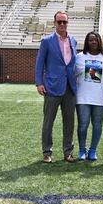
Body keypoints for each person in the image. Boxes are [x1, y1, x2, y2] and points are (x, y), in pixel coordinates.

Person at [35, 11, 78, 163]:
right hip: (52, 87)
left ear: (68, 23)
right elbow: (40, 63)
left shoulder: (73, 40)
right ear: (54, 23)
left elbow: (71, 63)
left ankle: (68, 152)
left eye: (64, 22)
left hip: (70, 87)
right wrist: (39, 83)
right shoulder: (47, 41)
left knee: (69, 122)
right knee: (48, 122)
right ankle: (47, 152)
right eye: (59, 22)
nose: (61, 24)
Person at [74, 31, 103, 161]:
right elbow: (72, 74)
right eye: (90, 40)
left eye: (96, 40)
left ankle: (93, 150)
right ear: (86, 42)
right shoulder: (79, 57)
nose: (93, 42)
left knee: (97, 125)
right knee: (83, 125)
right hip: (82, 97)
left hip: (99, 97)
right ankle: (82, 149)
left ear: (100, 42)